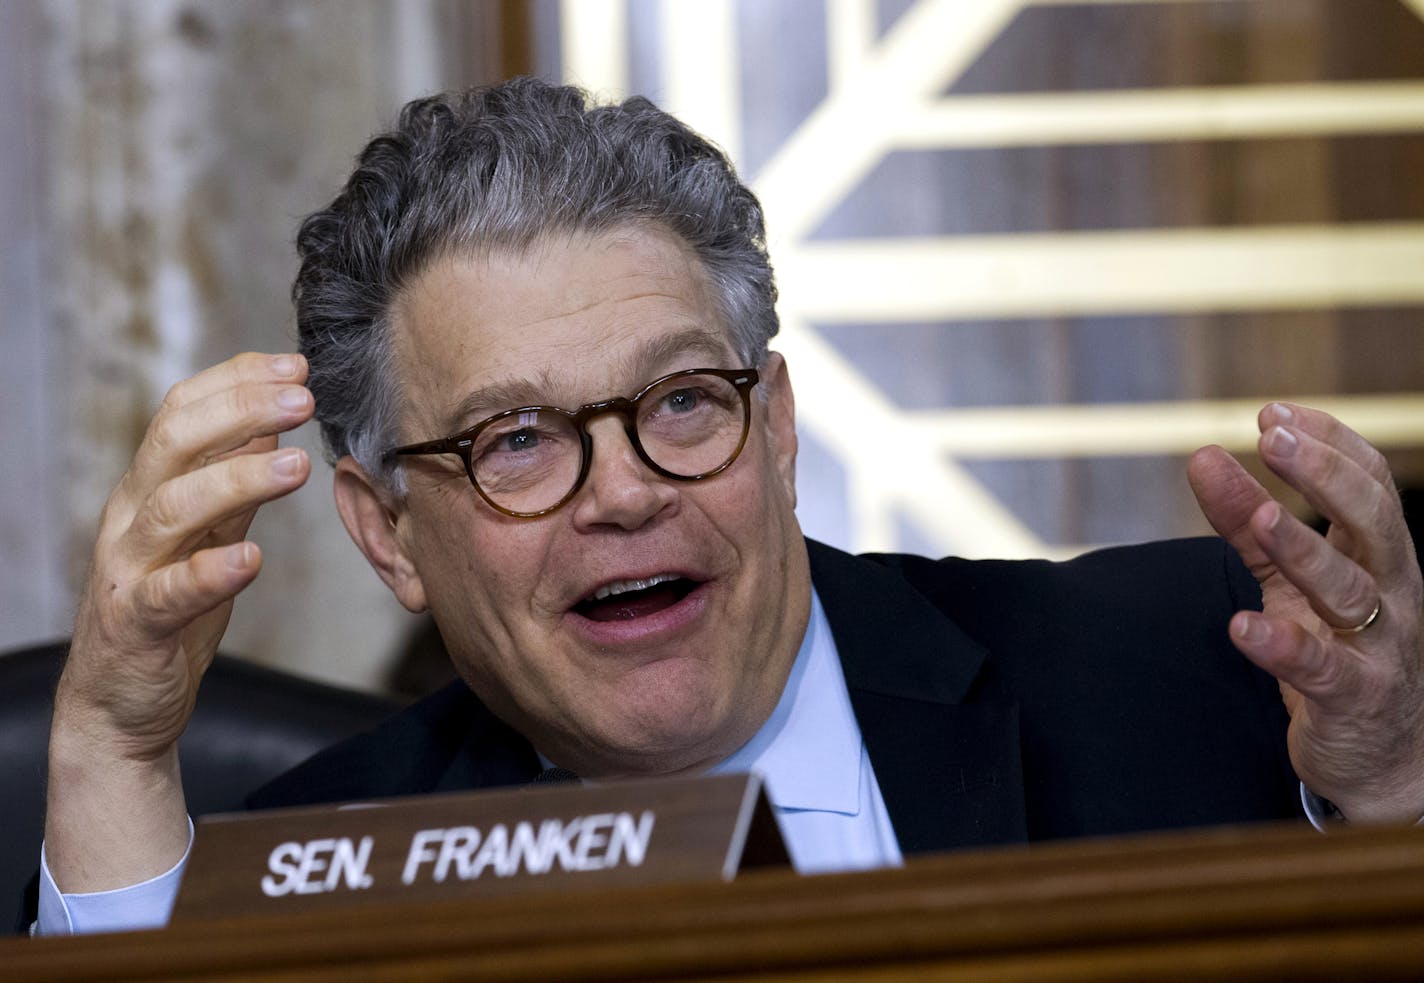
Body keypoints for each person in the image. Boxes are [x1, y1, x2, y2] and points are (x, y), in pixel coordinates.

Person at [32, 77, 1424, 935]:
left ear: (778, 427)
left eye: (684, 401)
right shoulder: (313, 868)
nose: (628, 491)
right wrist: (105, 750)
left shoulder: (1201, 680)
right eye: (518, 439)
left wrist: (1396, 799)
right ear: (390, 532)